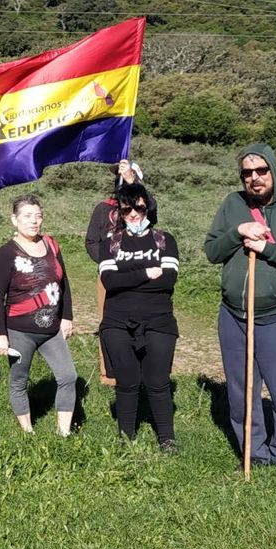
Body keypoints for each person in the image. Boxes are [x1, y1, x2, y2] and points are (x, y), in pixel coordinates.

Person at [203, 143, 276, 470]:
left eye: (261, 171)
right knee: (241, 391)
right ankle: (253, 452)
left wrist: (267, 249)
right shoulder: (233, 204)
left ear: (273, 170)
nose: (254, 178)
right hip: (233, 315)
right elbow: (212, 251)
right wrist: (238, 231)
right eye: (247, 173)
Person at [97, 182, 180, 449]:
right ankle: (126, 438)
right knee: (127, 381)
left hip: (159, 320)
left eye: (139, 208)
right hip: (117, 321)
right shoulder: (110, 244)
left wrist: (128, 279)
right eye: (126, 209)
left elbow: (167, 280)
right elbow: (110, 282)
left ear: (148, 208)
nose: (133, 214)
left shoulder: (165, 240)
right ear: (120, 213)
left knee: (158, 381)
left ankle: (167, 439)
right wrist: (146, 273)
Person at [0, 195, 76, 437]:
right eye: (27, 216)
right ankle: (28, 433)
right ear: (14, 220)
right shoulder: (6, 253)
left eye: (38, 216)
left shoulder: (52, 245)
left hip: (52, 329)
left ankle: (64, 433)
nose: (34, 221)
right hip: (19, 330)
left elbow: (64, 284)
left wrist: (67, 317)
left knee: (68, 376)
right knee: (19, 380)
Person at [85, 158, 144, 385]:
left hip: (138, 276)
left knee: (138, 322)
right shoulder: (103, 209)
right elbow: (91, 241)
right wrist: (107, 263)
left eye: (131, 177)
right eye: (122, 177)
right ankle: (109, 374)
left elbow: (153, 210)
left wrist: (132, 182)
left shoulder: (143, 210)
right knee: (109, 322)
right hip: (109, 277)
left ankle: (137, 370)